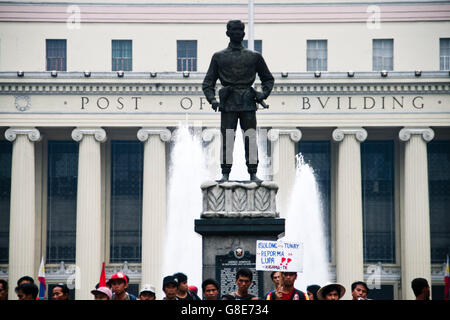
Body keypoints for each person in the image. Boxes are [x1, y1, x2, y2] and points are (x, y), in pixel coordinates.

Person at [202, 19, 274, 182]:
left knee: (251, 138)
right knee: (227, 139)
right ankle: (225, 173)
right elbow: (208, 83)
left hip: (248, 102)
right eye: (234, 31)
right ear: (228, 34)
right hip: (228, 103)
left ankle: (253, 172)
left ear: (243, 33)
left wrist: (263, 94)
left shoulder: (254, 57)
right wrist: (213, 100)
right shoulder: (219, 57)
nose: (237, 34)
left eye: (240, 31)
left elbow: (268, 79)